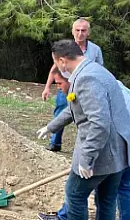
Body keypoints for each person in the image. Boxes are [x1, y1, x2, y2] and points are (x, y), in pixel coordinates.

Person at [35, 40, 130, 220]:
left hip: (104, 150)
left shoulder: (86, 79)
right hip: (119, 149)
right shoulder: (96, 70)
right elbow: (75, 107)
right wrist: (51, 126)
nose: (58, 68)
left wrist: (87, 159)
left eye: (57, 63)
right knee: (107, 199)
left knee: (75, 193)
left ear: (63, 60)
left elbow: (99, 123)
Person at [41, 18, 104, 152]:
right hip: (66, 87)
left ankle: (87, 147)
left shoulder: (95, 50)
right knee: (61, 113)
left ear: (88, 32)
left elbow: (100, 70)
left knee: (87, 117)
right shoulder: (66, 48)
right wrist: (47, 87)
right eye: (77, 30)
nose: (80, 33)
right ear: (72, 31)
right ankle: (55, 143)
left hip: (86, 90)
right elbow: (55, 68)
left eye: (83, 30)